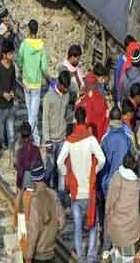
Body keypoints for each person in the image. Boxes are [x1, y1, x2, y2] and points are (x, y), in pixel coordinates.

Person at [57, 105, 107, 263]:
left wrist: (67, 175)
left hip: (76, 193)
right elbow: (102, 159)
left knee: (78, 228)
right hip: (90, 192)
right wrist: (95, 171)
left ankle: (80, 257)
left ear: (74, 120)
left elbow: (59, 161)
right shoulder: (91, 140)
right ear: (85, 120)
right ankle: (91, 258)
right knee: (92, 226)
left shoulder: (69, 141)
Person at [106, 150, 140, 262]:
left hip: (116, 228)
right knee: (128, 258)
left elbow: (109, 202)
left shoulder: (116, 177)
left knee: (117, 257)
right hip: (131, 232)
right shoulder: (136, 184)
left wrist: (109, 217)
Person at [16, 18, 49, 145]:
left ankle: (34, 139)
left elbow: (19, 61)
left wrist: (23, 68)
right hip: (36, 83)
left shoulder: (24, 44)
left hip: (26, 82)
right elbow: (44, 67)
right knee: (33, 114)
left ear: (29, 30)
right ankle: (33, 139)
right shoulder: (41, 46)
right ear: (37, 30)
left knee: (31, 112)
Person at [25, 164, 64, 263]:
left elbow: (34, 231)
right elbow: (62, 222)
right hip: (51, 251)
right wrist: (52, 230)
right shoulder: (53, 194)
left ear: (33, 180)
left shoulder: (35, 201)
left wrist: (29, 255)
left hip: (39, 254)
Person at [42, 70, 71, 191]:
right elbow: (45, 120)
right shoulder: (48, 97)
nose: (65, 90)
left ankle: (61, 195)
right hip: (51, 140)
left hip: (62, 138)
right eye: (64, 87)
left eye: (67, 88)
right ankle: (45, 188)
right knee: (50, 167)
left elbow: (66, 115)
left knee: (61, 168)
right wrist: (47, 140)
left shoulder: (67, 96)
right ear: (59, 83)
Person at [0, 37, 18, 158]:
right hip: (0, 106)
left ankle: (12, 155)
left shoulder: (12, 67)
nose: (12, 55)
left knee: (11, 132)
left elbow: (13, 82)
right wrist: (3, 94)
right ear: (4, 54)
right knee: (0, 132)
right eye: (10, 53)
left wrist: (12, 91)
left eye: (13, 53)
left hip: (10, 105)